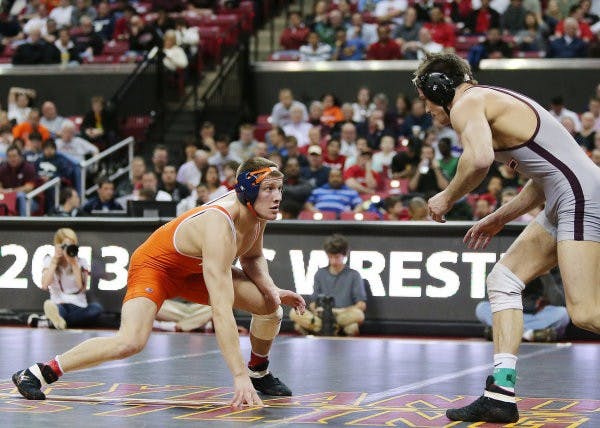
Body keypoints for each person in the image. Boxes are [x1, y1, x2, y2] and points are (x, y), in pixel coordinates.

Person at [12, 157, 306, 406]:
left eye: (279, 188)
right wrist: (237, 377)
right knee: (130, 342)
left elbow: (252, 257)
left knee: (270, 306)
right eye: (269, 188)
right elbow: (221, 310)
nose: (277, 196)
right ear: (248, 191)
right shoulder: (220, 224)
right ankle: (40, 372)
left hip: (194, 269)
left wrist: (272, 289)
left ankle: (258, 371)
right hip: (156, 267)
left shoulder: (257, 211)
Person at [413, 52, 600, 423]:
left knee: (586, 313)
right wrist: (497, 218)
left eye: (425, 98)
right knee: (503, 279)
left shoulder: (468, 103)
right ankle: (500, 394)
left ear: (440, 88)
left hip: (580, 196)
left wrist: (447, 196)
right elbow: (542, 180)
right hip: (566, 194)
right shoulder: (489, 103)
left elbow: (479, 159)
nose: (426, 108)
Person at [289, 234, 366, 336]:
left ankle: (322, 329)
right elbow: (313, 303)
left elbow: (361, 305)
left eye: (337, 257)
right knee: (294, 312)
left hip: (342, 315)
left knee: (358, 316)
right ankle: (330, 329)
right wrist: (317, 310)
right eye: (330, 257)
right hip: (322, 316)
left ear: (344, 255)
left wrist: (340, 311)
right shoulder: (320, 273)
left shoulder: (354, 275)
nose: (333, 261)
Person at [33, 228, 103, 329]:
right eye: (65, 246)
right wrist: (54, 261)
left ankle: (54, 322)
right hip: (59, 304)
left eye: (71, 245)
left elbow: (82, 288)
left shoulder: (82, 262)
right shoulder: (49, 260)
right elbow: (44, 285)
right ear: (58, 245)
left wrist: (74, 264)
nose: (67, 249)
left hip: (79, 306)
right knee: (57, 311)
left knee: (96, 309)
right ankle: (56, 320)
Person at [476, 271, 570, 342]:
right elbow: (497, 297)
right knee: (482, 308)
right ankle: (530, 334)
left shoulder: (554, 269)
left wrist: (546, 275)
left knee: (563, 314)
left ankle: (509, 333)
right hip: (512, 316)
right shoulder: (514, 262)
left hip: (537, 316)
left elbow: (559, 302)